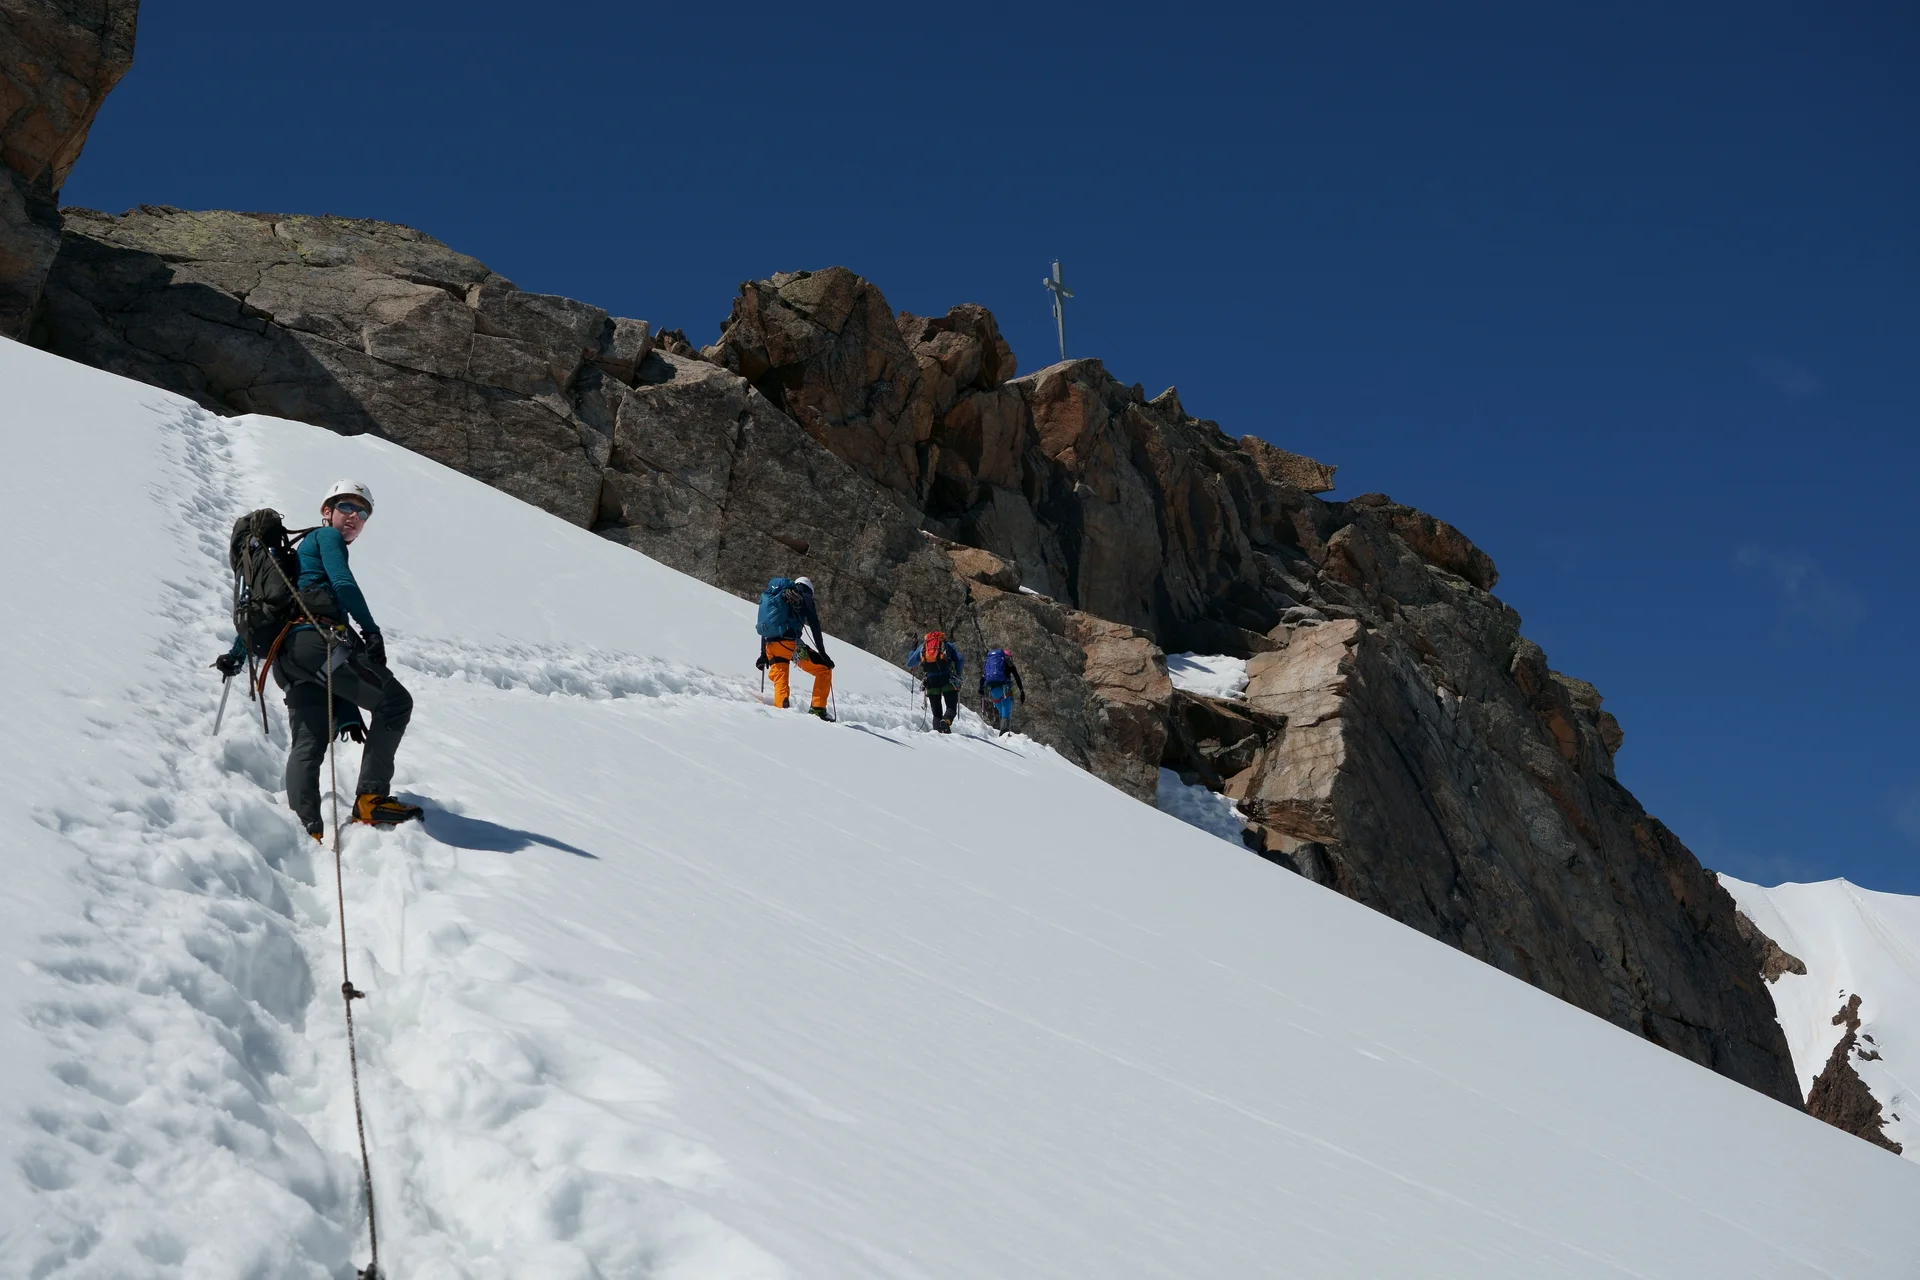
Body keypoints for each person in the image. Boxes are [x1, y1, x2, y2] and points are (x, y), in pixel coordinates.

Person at [214, 480, 420, 839]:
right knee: (395, 703)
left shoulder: (292, 560)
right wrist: (371, 631)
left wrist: (236, 655)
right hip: (319, 644)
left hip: (288, 660)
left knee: (309, 741)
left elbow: (269, 610)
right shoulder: (327, 539)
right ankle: (371, 798)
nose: (355, 516)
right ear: (327, 511)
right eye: (347, 507)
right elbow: (342, 583)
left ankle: (304, 830)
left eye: (363, 512)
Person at [755, 574, 835, 720]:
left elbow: (766, 624)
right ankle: (818, 709)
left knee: (781, 682)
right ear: (809, 589)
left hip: (771, 646)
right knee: (824, 669)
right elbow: (815, 626)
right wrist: (823, 654)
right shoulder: (805, 596)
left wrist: (763, 654)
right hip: (790, 646)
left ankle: (781, 712)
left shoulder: (777, 596)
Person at [906, 631, 964, 733]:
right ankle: (946, 722)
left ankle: (938, 734)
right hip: (948, 679)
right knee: (951, 707)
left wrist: (913, 649)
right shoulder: (947, 645)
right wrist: (958, 674)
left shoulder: (923, 647)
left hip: (931, 681)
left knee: (937, 713)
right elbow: (960, 659)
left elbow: (909, 663)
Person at [977, 646, 1025, 732]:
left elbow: (983, 676)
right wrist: (1021, 691)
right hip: (1005, 690)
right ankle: (1004, 733)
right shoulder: (1008, 662)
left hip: (993, 692)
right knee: (1005, 714)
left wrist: (981, 688)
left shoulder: (990, 664)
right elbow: (1016, 676)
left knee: (1001, 712)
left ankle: (1002, 733)